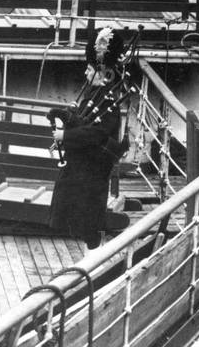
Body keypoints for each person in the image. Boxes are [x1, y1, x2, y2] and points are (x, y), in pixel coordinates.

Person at [49, 27, 127, 249]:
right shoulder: (96, 95)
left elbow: (97, 133)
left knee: (89, 219)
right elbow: (85, 123)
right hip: (83, 166)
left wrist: (65, 135)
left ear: (102, 74)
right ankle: (88, 254)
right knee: (78, 215)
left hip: (93, 168)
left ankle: (93, 255)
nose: (85, 73)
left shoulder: (108, 100)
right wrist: (66, 117)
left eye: (90, 69)